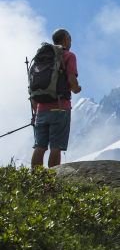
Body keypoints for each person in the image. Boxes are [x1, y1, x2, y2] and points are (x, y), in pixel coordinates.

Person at [31, 29, 81, 168]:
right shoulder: (68, 56)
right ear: (66, 40)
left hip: (41, 109)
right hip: (60, 107)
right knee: (56, 147)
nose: (71, 42)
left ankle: (35, 181)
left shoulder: (42, 57)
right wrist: (76, 88)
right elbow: (71, 80)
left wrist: (36, 112)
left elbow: (33, 88)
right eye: (70, 39)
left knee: (39, 146)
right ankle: (52, 183)